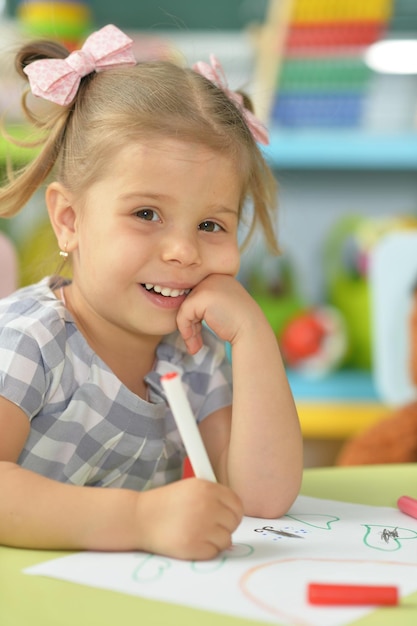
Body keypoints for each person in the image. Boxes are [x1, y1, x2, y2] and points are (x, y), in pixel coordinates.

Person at [0, 25, 302, 560]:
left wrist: (253, 336)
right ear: (69, 220)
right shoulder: (29, 341)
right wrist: (141, 520)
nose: (184, 251)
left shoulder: (192, 353)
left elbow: (264, 497)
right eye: (146, 214)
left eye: (211, 225)